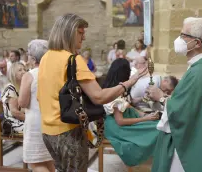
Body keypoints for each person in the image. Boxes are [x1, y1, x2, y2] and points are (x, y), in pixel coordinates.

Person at [37, 13, 146, 172]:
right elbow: (98, 97)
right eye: (80, 33)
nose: (84, 37)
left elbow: (42, 95)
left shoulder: (46, 56)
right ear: (68, 32)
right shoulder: (73, 59)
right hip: (67, 130)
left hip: (47, 130)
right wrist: (128, 83)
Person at [147, 17, 202, 172]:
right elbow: (190, 103)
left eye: (183, 35)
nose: (179, 39)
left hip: (187, 145)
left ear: (197, 43)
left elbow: (182, 112)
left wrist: (160, 97)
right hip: (194, 135)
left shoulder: (200, 72)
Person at [103, 58, 160, 166]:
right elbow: (120, 121)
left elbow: (127, 105)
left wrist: (144, 113)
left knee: (157, 125)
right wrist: (145, 118)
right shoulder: (115, 92)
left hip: (123, 121)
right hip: (117, 128)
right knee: (157, 128)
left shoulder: (116, 88)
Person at [18, 40, 54, 172]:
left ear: (33, 58)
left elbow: (22, 103)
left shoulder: (29, 75)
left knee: (36, 163)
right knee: (49, 161)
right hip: (51, 120)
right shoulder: (53, 73)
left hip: (36, 122)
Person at [1, 62, 26, 134]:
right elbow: (14, 112)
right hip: (13, 122)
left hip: (21, 118)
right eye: (20, 70)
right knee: (37, 128)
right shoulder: (11, 88)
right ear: (13, 74)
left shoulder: (22, 86)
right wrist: (31, 120)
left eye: (24, 69)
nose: (24, 71)